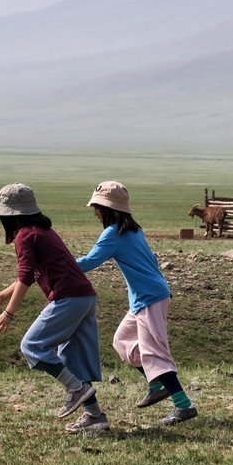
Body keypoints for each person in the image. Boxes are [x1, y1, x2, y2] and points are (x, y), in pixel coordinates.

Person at [0, 183, 110, 434]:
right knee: (71, 358)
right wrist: (2, 296)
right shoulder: (43, 231)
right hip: (85, 298)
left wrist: (9, 313)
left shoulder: (24, 235)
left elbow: (25, 275)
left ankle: (76, 389)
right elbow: (29, 275)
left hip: (68, 298)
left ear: (9, 215)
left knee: (31, 346)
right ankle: (95, 416)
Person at [75, 181, 198, 425]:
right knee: (122, 341)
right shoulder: (133, 230)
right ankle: (157, 385)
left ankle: (184, 405)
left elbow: (89, 262)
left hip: (149, 297)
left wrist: (57, 265)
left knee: (155, 352)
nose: (95, 212)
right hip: (146, 296)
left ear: (107, 209)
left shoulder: (113, 233)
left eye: (97, 207)